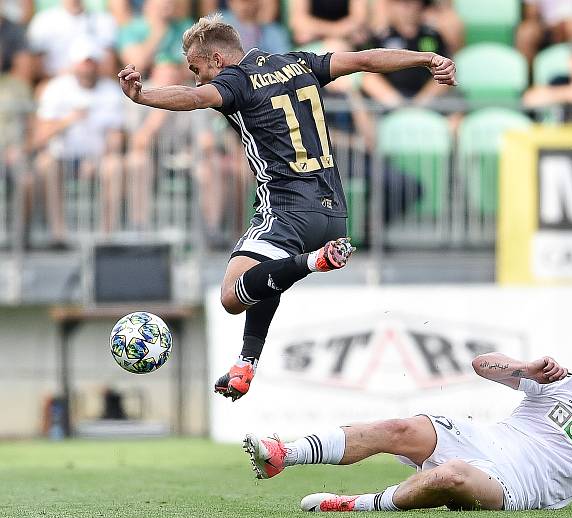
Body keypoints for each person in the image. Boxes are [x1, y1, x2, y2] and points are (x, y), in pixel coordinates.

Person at [118, 13, 457, 400]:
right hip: (333, 213)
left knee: (232, 295)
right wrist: (426, 59)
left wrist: (143, 96)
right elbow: (364, 59)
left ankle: (315, 261)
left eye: (197, 68)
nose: (197, 78)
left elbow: (196, 98)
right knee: (264, 271)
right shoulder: (298, 62)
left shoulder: (235, 81)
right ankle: (247, 362)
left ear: (216, 59)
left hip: (285, 208)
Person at [241, 333, 572, 512]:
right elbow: (481, 365)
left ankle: (355, 506)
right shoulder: (561, 382)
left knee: (449, 476)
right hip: (488, 438)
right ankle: (287, 452)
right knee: (402, 426)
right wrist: (525, 368)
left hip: (513, 484)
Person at [33, 38, 125, 244]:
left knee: (115, 165)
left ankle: (106, 236)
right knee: (45, 164)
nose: (87, 68)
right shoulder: (56, 88)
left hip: (97, 159)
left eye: (91, 63)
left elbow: (116, 137)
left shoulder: (110, 90)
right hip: (62, 158)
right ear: (74, 64)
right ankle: (58, 234)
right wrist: (68, 120)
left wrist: (102, 154)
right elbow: (39, 137)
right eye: (83, 63)